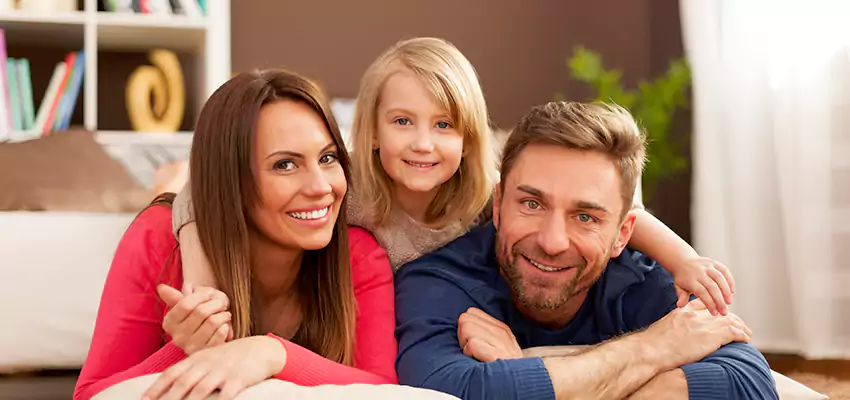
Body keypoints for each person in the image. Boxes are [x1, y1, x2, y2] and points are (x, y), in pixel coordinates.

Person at [169, 37, 736, 323]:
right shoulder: (345, 190)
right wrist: (201, 279)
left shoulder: (488, 195)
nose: (422, 143)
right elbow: (200, 183)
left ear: (469, 137)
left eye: (444, 125)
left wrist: (683, 259)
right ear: (370, 132)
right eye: (402, 123)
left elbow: (612, 209)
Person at [393, 101, 778, 400]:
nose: (552, 241)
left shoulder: (641, 278)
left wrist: (522, 374)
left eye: (586, 217)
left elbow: (749, 383)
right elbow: (441, 390)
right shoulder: (438, 280)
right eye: (531, 204)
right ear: (497, 205)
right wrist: (652, 348)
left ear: (623, 234)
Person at [73, 69, 397, 400]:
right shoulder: (156, 239)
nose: (321, 187)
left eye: (327, 158)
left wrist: (270, 354)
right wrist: (189, 349)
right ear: (231, 182)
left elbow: (386, 389)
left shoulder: (359, 253)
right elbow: (90, 395)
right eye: (285, 165)